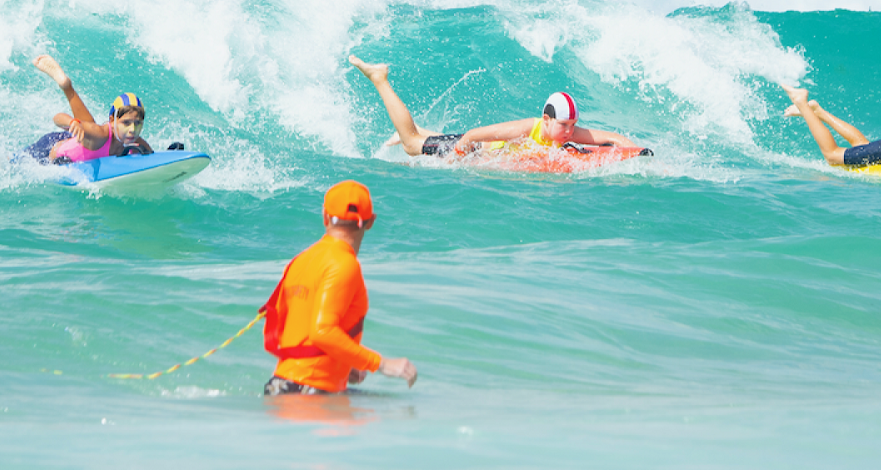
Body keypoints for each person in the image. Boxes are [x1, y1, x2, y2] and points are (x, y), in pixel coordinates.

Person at [260, 180, 419, 395]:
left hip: (281, 385)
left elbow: (292, 331)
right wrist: (382, 364)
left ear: (325, 217)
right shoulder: (344, 264)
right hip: (311, 391)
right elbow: (322, 332)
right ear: (371, 221)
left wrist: (343, 362)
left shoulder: (300, 260)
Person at [348, 56, 634, 157]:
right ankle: (379, 79)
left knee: (428, 138)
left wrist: (637, 153)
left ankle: (421, 133)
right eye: (564, 125)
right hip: (473, 150)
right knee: (412, 145)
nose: (570, 132)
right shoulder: (527, 128)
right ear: (546, 120)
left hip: (481, 151)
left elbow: (612, 138)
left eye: (573, 125)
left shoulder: (568, 133)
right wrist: (456, 158)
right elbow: (473, 135)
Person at [23, 55, 153, 164]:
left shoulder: (132, 138)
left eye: (137, 124)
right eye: (126, 123)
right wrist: (72, 123)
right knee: (14, 161)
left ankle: (67, 87)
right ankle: (66, 86)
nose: (132, 129)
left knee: (88, 125)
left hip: (75, 139)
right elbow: (57, 118)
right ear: (112, 120)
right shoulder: (101, 134)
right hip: (48, 149)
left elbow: (155, 158)